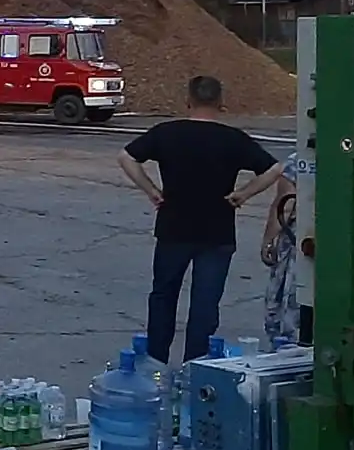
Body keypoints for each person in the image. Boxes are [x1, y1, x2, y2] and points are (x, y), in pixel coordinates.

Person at [118, 75, 285, 363]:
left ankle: (155, 364)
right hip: (217, 232)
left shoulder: (166, 133)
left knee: (163, 296)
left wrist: (152, 190)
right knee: (205, 304)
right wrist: (243, 194)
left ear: (189, 100)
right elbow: (274, 169)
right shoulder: (233, 139)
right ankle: (195, 367)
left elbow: (126, 157)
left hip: (173, 228)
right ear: (220, 103)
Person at [261, 156, 301, 345]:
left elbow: (284, 206)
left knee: (287, 300)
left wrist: (268, 241)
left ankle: (286, 345)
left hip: (299, 240)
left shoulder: (300, 161)